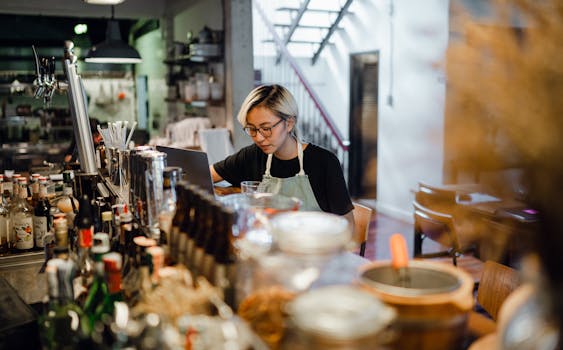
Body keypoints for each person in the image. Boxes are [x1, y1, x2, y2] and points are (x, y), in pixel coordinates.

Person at [210, 84, 354, 223]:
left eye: (266, 128)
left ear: (289, 123)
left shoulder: (324, 162)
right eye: (252, 129)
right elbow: (205, 175)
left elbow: (348, 227)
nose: (258, 138)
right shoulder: (251, 156)